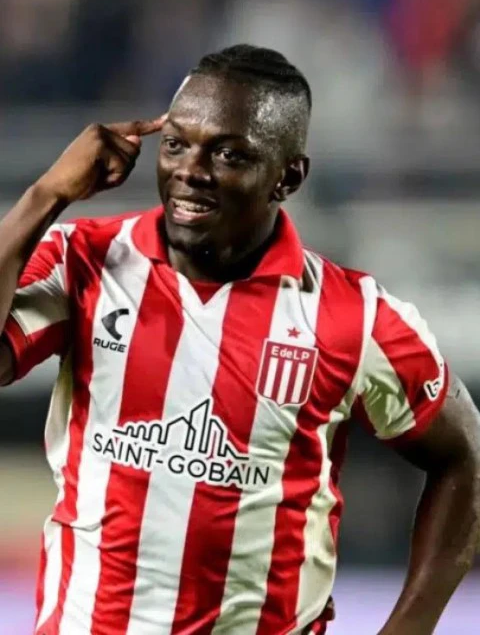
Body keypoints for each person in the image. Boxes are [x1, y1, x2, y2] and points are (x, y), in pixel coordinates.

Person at [0, 44, 479, 635]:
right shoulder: (84, 261)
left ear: (288, 177)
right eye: (176, 144)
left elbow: (465, 456)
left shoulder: (354, 317)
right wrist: (45, 195)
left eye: (228, 154)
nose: (191, 170)